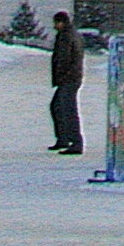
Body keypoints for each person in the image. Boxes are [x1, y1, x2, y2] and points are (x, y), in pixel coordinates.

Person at [43, 12, 85, 157]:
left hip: (69, 79)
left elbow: (64, 58)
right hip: (69, 78)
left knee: (68, 110)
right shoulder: (69, 34)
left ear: (61, 22)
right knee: (57, 107)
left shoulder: (66, 36)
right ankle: (64, 139)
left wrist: (61, 75)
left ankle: (75, 143)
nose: (54, 26)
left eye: (56, 22)